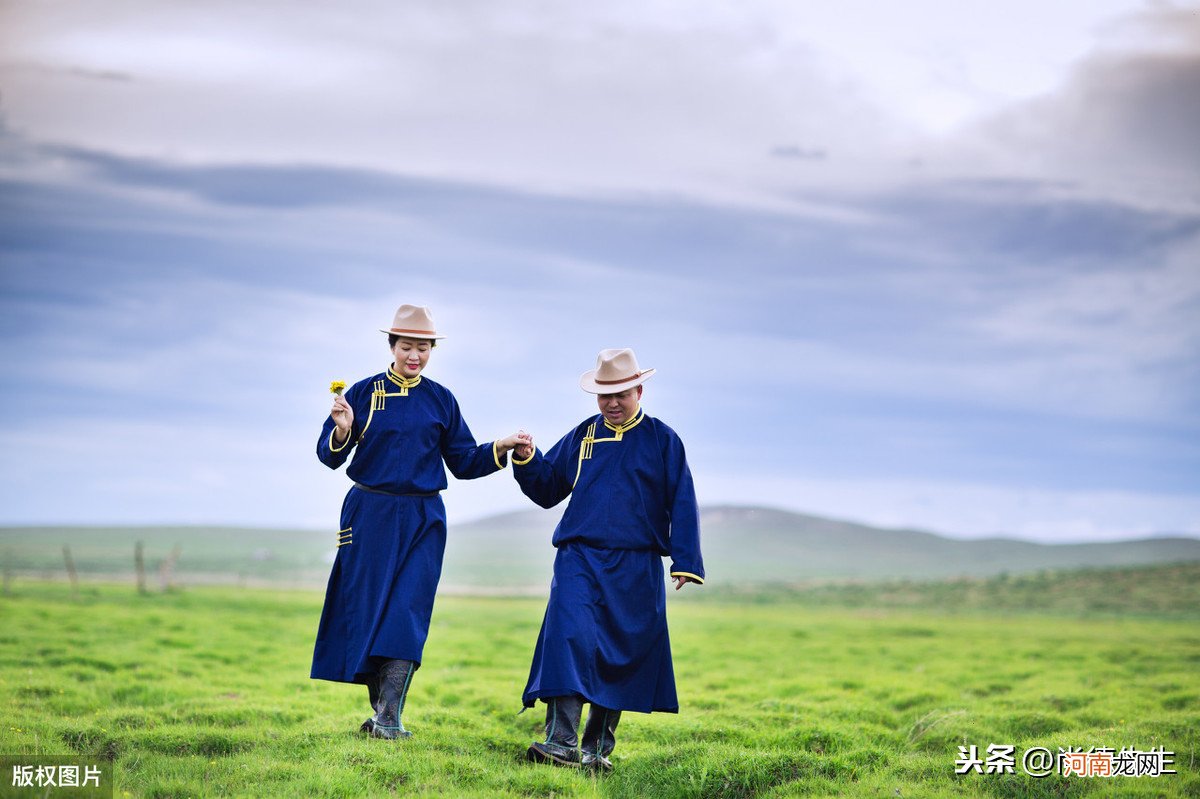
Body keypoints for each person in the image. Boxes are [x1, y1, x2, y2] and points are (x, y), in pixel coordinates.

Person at [311, 304, 526, 739]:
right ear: (392, 346)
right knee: (370, 613)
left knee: (406, 613)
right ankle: (381, 713)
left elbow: (463, 461)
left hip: (424, 517)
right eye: (407, 346)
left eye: (423, 348)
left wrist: (501, 447)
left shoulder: (441, 399)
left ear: (432, 350)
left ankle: (389, 719)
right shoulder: (361, 393)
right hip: (369, 514)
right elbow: (328, 456)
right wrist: (343, 430)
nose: (415, 355)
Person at [511, 348, 704, 771]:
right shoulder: (583, 435)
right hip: (579, 557)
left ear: (639, 390)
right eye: (604, 395)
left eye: (621, 394)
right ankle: (560, 742)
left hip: (637, 565)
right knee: (568, 637)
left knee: (622, 650)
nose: (612, 403)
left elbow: (682, 499)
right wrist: (526, 460)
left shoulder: (663, 440)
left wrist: (686, 560)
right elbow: (547, 488)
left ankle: (596, 748)